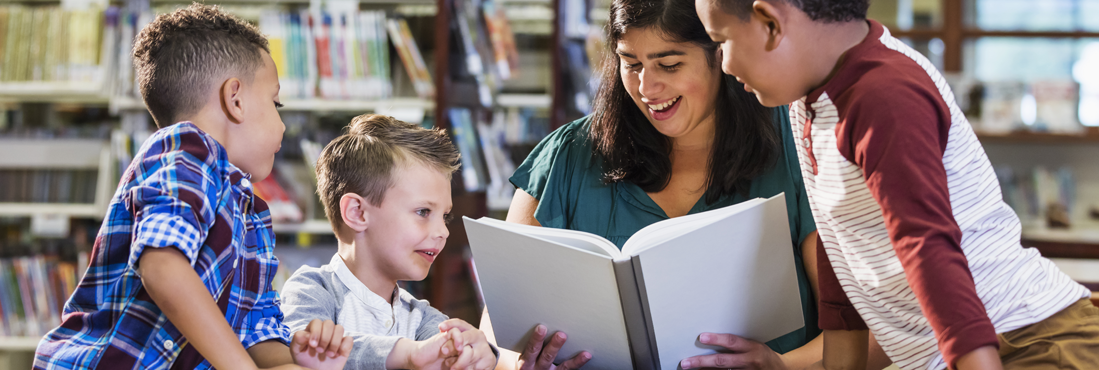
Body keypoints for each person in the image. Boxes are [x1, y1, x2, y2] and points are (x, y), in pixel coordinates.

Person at [460, 0, 886, 369]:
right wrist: (519, 362)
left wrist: (781, 366)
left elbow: (877, 331)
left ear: (722, 55)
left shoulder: (796, 146)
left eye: (669, 64)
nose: (647, 87)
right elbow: (500, 328)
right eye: (631, 63)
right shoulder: (567, 155)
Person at [694, 0, 1099, 369]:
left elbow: (928, 248)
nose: (725, 64)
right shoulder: (809, 101)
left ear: (770, 24)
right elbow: (839, 252)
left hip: (1024, 339)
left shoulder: (884, 94)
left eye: (721, 40)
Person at [33, 4, 352, 370]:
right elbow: (162, 267)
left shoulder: (251, 213)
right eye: (275, 102)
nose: (282, 125)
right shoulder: (186, 149)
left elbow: (254, 335)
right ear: (235, 99)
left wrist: (297, 361)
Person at [280, 114, 499, 370]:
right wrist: (407, 354)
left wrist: (480, 353)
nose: (443, 232)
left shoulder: (423, 318)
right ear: (357, 213)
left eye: (445, 217)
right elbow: (303, 351)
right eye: (423, 212)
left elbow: (449, 351)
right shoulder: (311, 291)